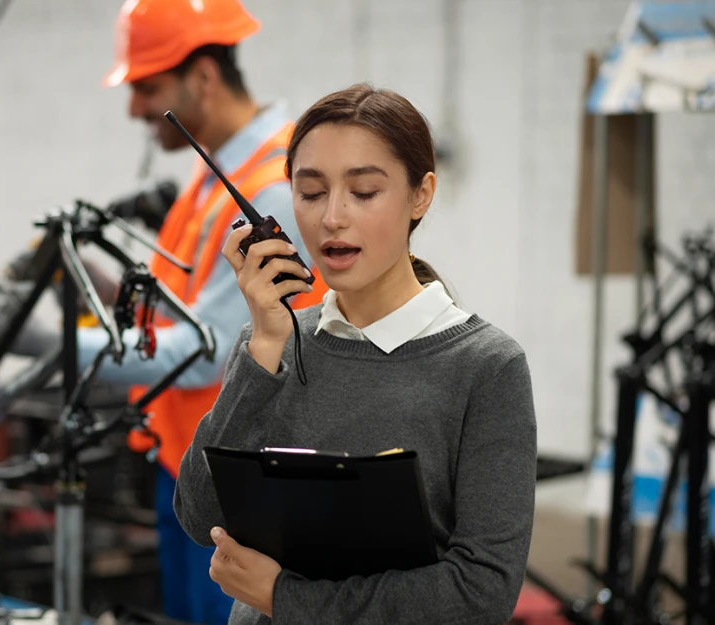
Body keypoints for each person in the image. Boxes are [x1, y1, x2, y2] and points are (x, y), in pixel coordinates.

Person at [174, 84, 537, 624]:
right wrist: (266, 345)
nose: (331, 218)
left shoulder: (487, 368)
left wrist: (286, 599)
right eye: (310, 192)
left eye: (364, 192)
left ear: (421, 195)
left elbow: (479, 594)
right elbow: (201, 515)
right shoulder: (273, 345)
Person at [87, 1, 331, 623]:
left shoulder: (270, 187)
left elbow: (205, 354)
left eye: (146, 87)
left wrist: (58, 349)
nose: (134, 108)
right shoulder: (214, 177)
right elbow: (187, 316)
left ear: (202, 77)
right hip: (198, 468)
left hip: (242, 486)